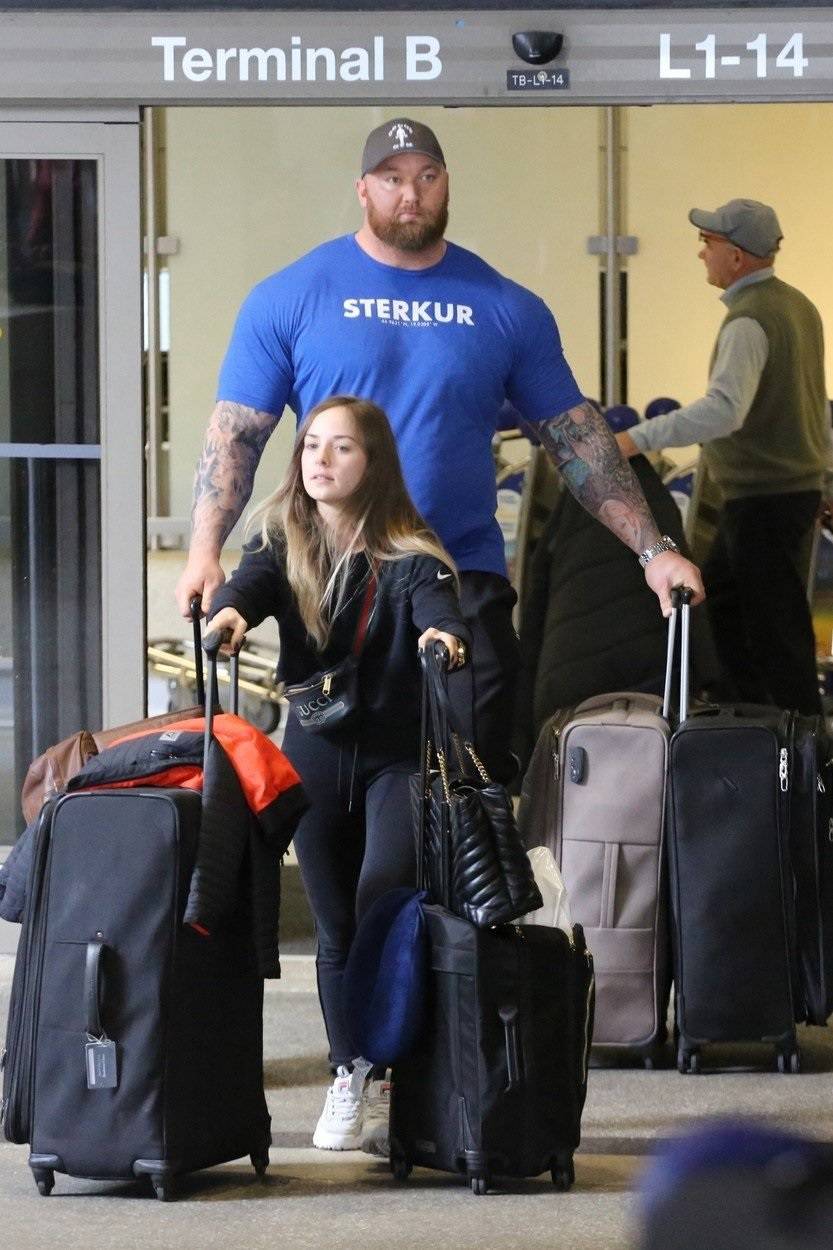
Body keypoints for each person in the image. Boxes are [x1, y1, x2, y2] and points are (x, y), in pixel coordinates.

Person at [176, 116, 704, 783]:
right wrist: (203, 553)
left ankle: (440, 890)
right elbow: (236, 435)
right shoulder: (289, 297)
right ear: (363, 190)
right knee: (343, 792)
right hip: (334, 582)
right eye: (392, 179)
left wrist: (653, 552)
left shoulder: (505, 307)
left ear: (445, 185)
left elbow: (576, 438)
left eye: (426, 177)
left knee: (468, 782)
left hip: (460, 575)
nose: (410, 195)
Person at [207, 394, 470, 1155]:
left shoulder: (410, 553)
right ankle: (349, 1070)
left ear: (374, 462)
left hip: (395, 757)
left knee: (381, 898)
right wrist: (228, 614)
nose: (319, 459)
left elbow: (438, 607)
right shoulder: (281, 538)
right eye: (311, 444)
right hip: (314, 753)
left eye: (341, 447)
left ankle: (392, 1073)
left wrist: (442, 639)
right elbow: (249, 588)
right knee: (334, 927)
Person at [616, 199, 829, 715]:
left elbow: (723, 412)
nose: (700, 253)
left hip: (762, 497)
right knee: (729, 612)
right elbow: (814, 403)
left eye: (708, 244)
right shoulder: (798, 306)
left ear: (736, 256)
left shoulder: (749, 321)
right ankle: (752, 723)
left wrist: (634, 439)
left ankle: (800, 749)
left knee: (772, 631)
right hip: (786, 492)